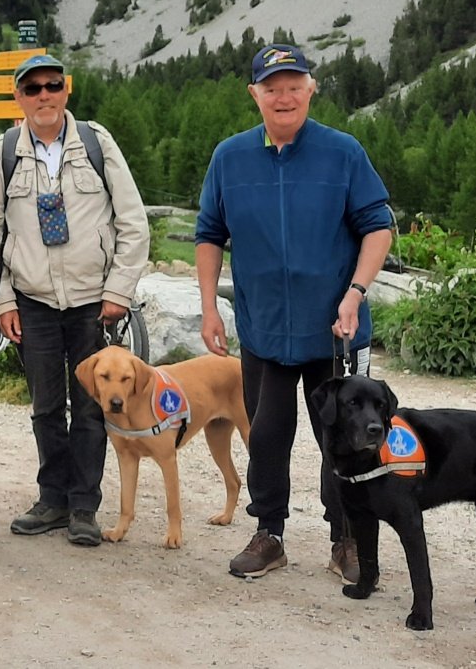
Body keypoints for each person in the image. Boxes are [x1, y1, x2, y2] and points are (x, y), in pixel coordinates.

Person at [195, 43, 393, 582]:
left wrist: (355, 291)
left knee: (348, 436)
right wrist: (210, 307)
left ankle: (346, 538)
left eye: (293, 85)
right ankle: (270, 534)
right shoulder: (229, 157)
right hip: (263, 330)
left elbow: (379, 226)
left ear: (311, 89)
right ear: (254, 94)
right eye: (271, 87)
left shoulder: (343, 151)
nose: (283, 96)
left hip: (335, 331)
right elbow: (210, 235)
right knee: (266, 435)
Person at [0, 54, 150, 548]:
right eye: (31, 88)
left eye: (51, 85)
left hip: (92, 302)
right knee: (45, 405)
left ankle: (84, 507)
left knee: (92, 406)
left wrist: (119, 290)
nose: (43, 96)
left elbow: (132, 220)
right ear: (20, 97)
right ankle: (51, 499)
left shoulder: (97, 143)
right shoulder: (5, 150)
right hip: (31, 300)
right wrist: (2, 302)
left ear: (66, 90)